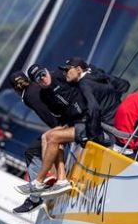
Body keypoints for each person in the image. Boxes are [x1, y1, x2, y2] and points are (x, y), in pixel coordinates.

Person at [15, 64, 87, 197]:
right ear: (35, 82)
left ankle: (39, 181)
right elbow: (57, 113)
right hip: (72, 122)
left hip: (86, 122)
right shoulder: (44, 94)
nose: (43, 78)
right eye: (38, 78)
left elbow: (80, 75)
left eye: (43, 74)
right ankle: (60, 179)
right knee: (47, 137)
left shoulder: (60, 76)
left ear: (47, 70)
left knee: (53, 137)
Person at [9, 70, 61, 213]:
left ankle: (35, 197)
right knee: (44, 142)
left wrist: (58, 129)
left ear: (15, 90)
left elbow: (46, 113)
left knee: (32, 152)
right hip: (67, 121)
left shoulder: (28, 97)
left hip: (63, 125)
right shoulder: (36, 87)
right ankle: (49, 181)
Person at [62, 57, 124, 146]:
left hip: (111, 128)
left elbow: (94, 109)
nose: (64, 73)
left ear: (78, 70)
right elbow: (124, 86)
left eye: (67, 69)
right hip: (120, 119)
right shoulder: (96, 74)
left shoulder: (84, 84)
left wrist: (93, 134)